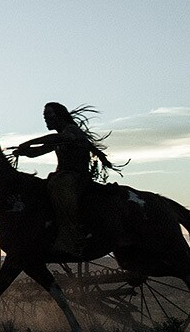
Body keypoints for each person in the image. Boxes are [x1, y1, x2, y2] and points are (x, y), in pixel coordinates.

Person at [11, 102, 120, 258]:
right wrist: (24, 152)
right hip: (63, 176)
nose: (46, 119)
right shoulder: (61, 137)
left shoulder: (71, 131)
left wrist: (29, 142)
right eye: (44, 116)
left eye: (48, 115)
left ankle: (72, 237)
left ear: (59, 116)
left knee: (58, 187)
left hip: (75, 177)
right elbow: (38, 152)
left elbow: (56, 139)